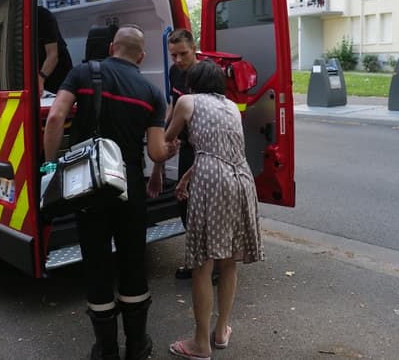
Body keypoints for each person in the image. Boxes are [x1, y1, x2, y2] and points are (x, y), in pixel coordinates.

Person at [44, 25, 175, 360]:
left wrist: (51, 166)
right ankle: (137, 345)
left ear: (113, 46)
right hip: (129, 184)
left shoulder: (83, 73)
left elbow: (56, 116)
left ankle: (105, 349)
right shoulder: (152, 92)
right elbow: (157, 153)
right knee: (132, 260)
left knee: (97, 262)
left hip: (89, 184)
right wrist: (172, 148)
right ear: (142, 56)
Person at [165, 60, 264, 360]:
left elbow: (169, 138)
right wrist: (187, 176)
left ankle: (200, 344)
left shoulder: (186, 101)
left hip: (212, 183)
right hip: (242, 180)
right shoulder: (232, 106)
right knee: (228, 260)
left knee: (203, 263)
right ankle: (221, 331)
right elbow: (222, 151)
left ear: (192, 83)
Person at [146, 29, 201, 280]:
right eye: (173, 55)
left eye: (183, 54)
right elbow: (172, 105)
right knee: (185, 204)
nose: (178, 60)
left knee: (203, 207)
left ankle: (213, 265)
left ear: (194, 48)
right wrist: (164, 130)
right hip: (186, 144)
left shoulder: (205, 75)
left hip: (205, 146)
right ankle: (195, 259)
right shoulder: (175, 72)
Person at [37, 6, 73, 95]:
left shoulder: (42, 15)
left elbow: (53, 55)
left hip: (58, 74)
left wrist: (41, 78)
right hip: (41, 74)